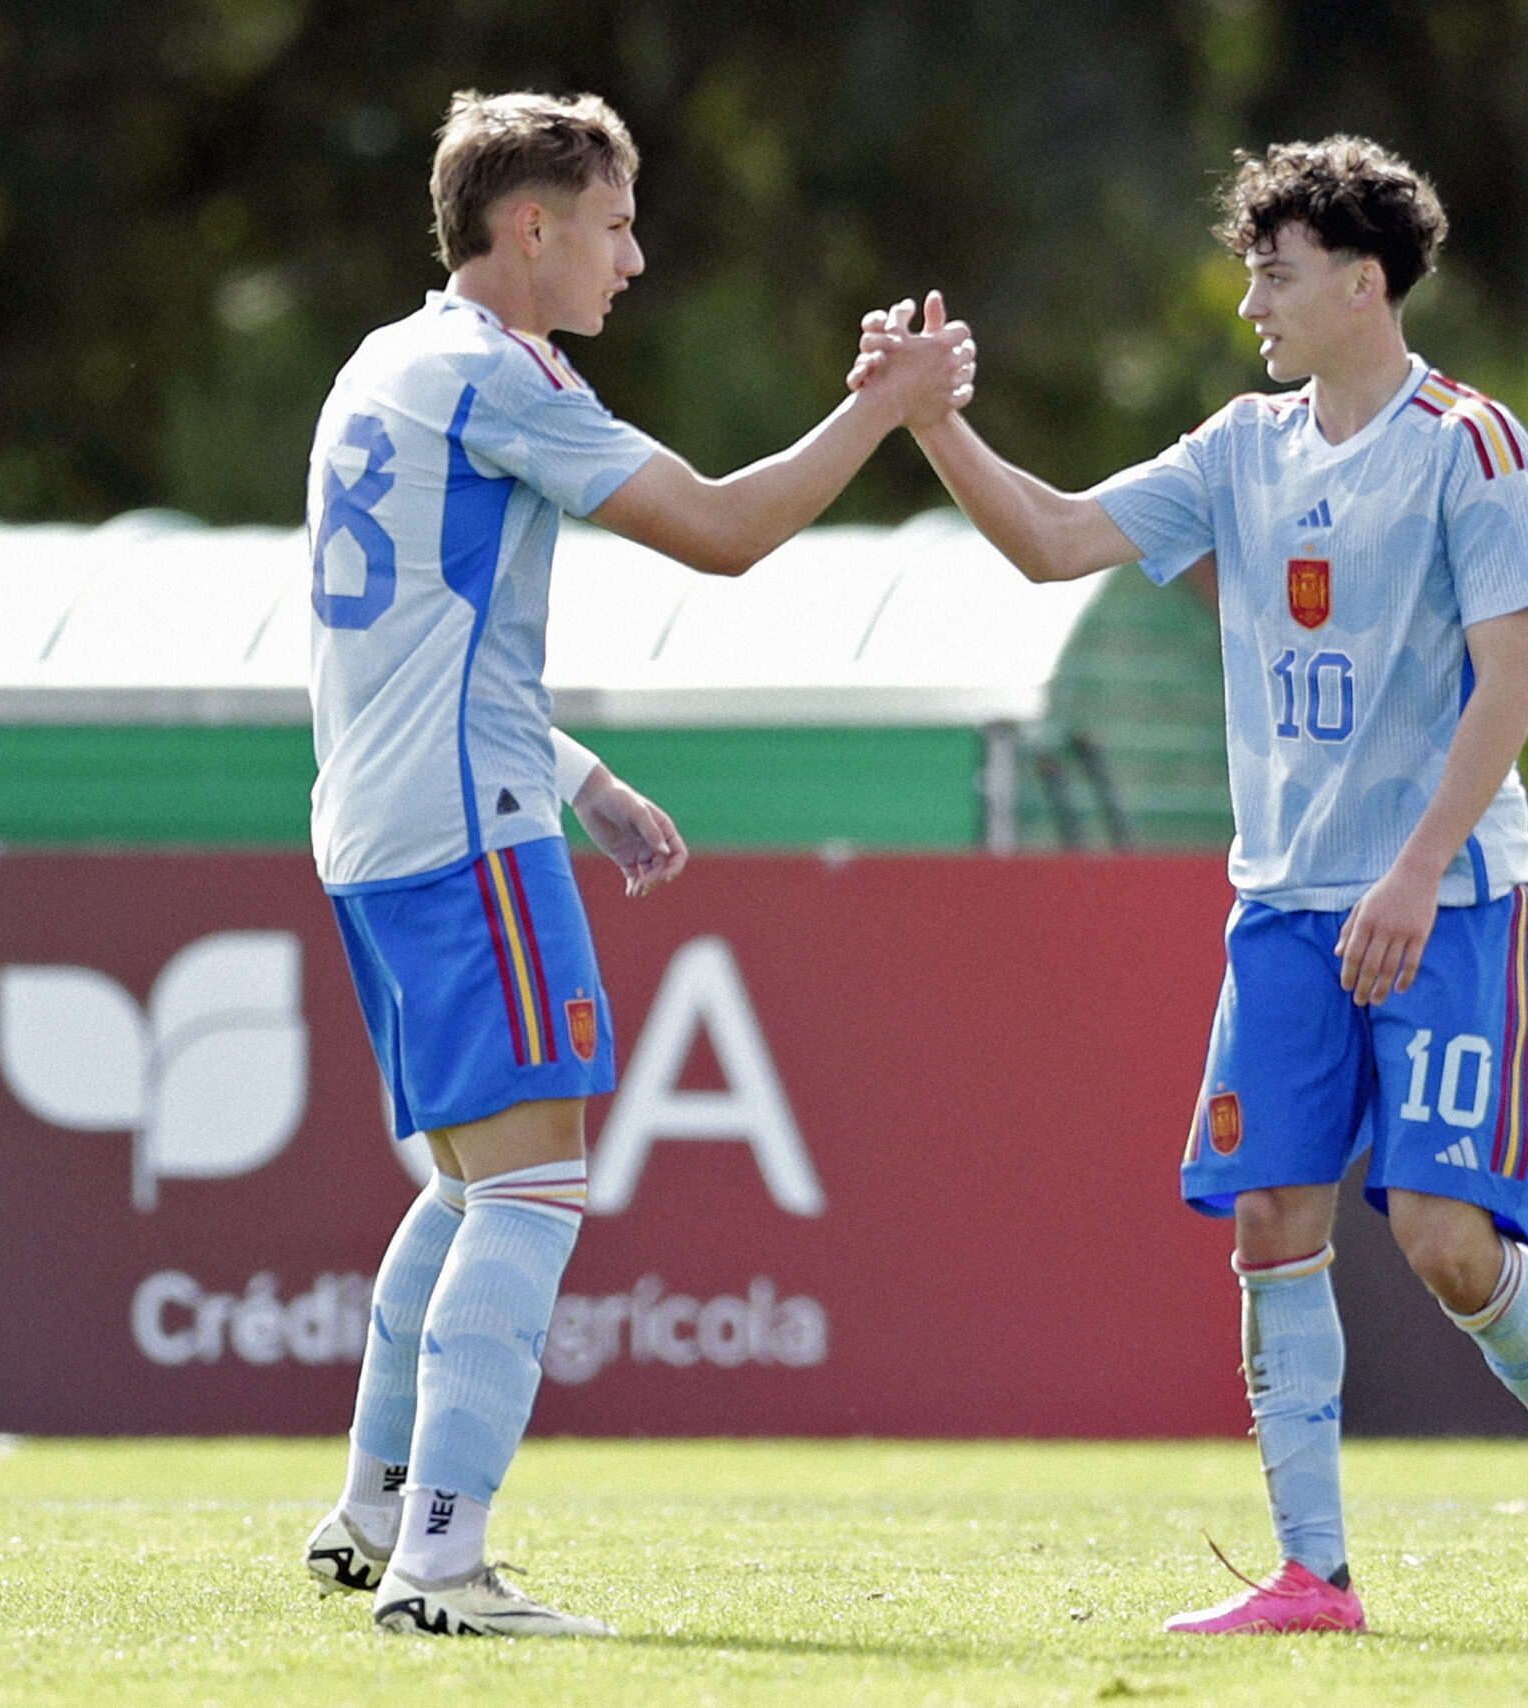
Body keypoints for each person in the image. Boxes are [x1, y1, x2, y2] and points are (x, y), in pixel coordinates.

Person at [863, 135, 1528, 1631]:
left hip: (1449, 898)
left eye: (1275, 275)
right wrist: (930, 420)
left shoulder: (1472, 445)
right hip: (1282, 906)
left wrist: (1416, 872)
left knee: (1440, 1237)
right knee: (1273, 1224)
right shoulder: (1238, 448)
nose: (1252, 307)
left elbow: (1508, 687)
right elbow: (1050, 541)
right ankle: (1314, 1576)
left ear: (1364, 284)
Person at [296, 88, 973, 1639]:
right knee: (533, 1186)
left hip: (376, 818)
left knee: (475, 1180)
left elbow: (409, 633)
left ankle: (375, 1510)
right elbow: (728, 533)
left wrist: (581, 774)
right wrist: (886, 405)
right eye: (612, 224)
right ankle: (445, 1570)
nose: (635, 257)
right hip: (465, 828)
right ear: (527, 229)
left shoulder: (384, 361)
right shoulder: (496, 374)